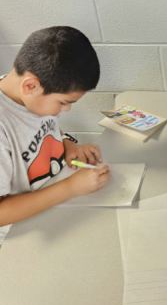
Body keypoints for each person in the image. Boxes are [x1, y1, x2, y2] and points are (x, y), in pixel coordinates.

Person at [0, 26, 110, 229]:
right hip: (24, 231)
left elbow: (41, 130)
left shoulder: (30, 98)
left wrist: (69, 145)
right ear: (30, 86)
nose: (66, 110)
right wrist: (71, 188)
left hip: (56, 204)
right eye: (63, 102)